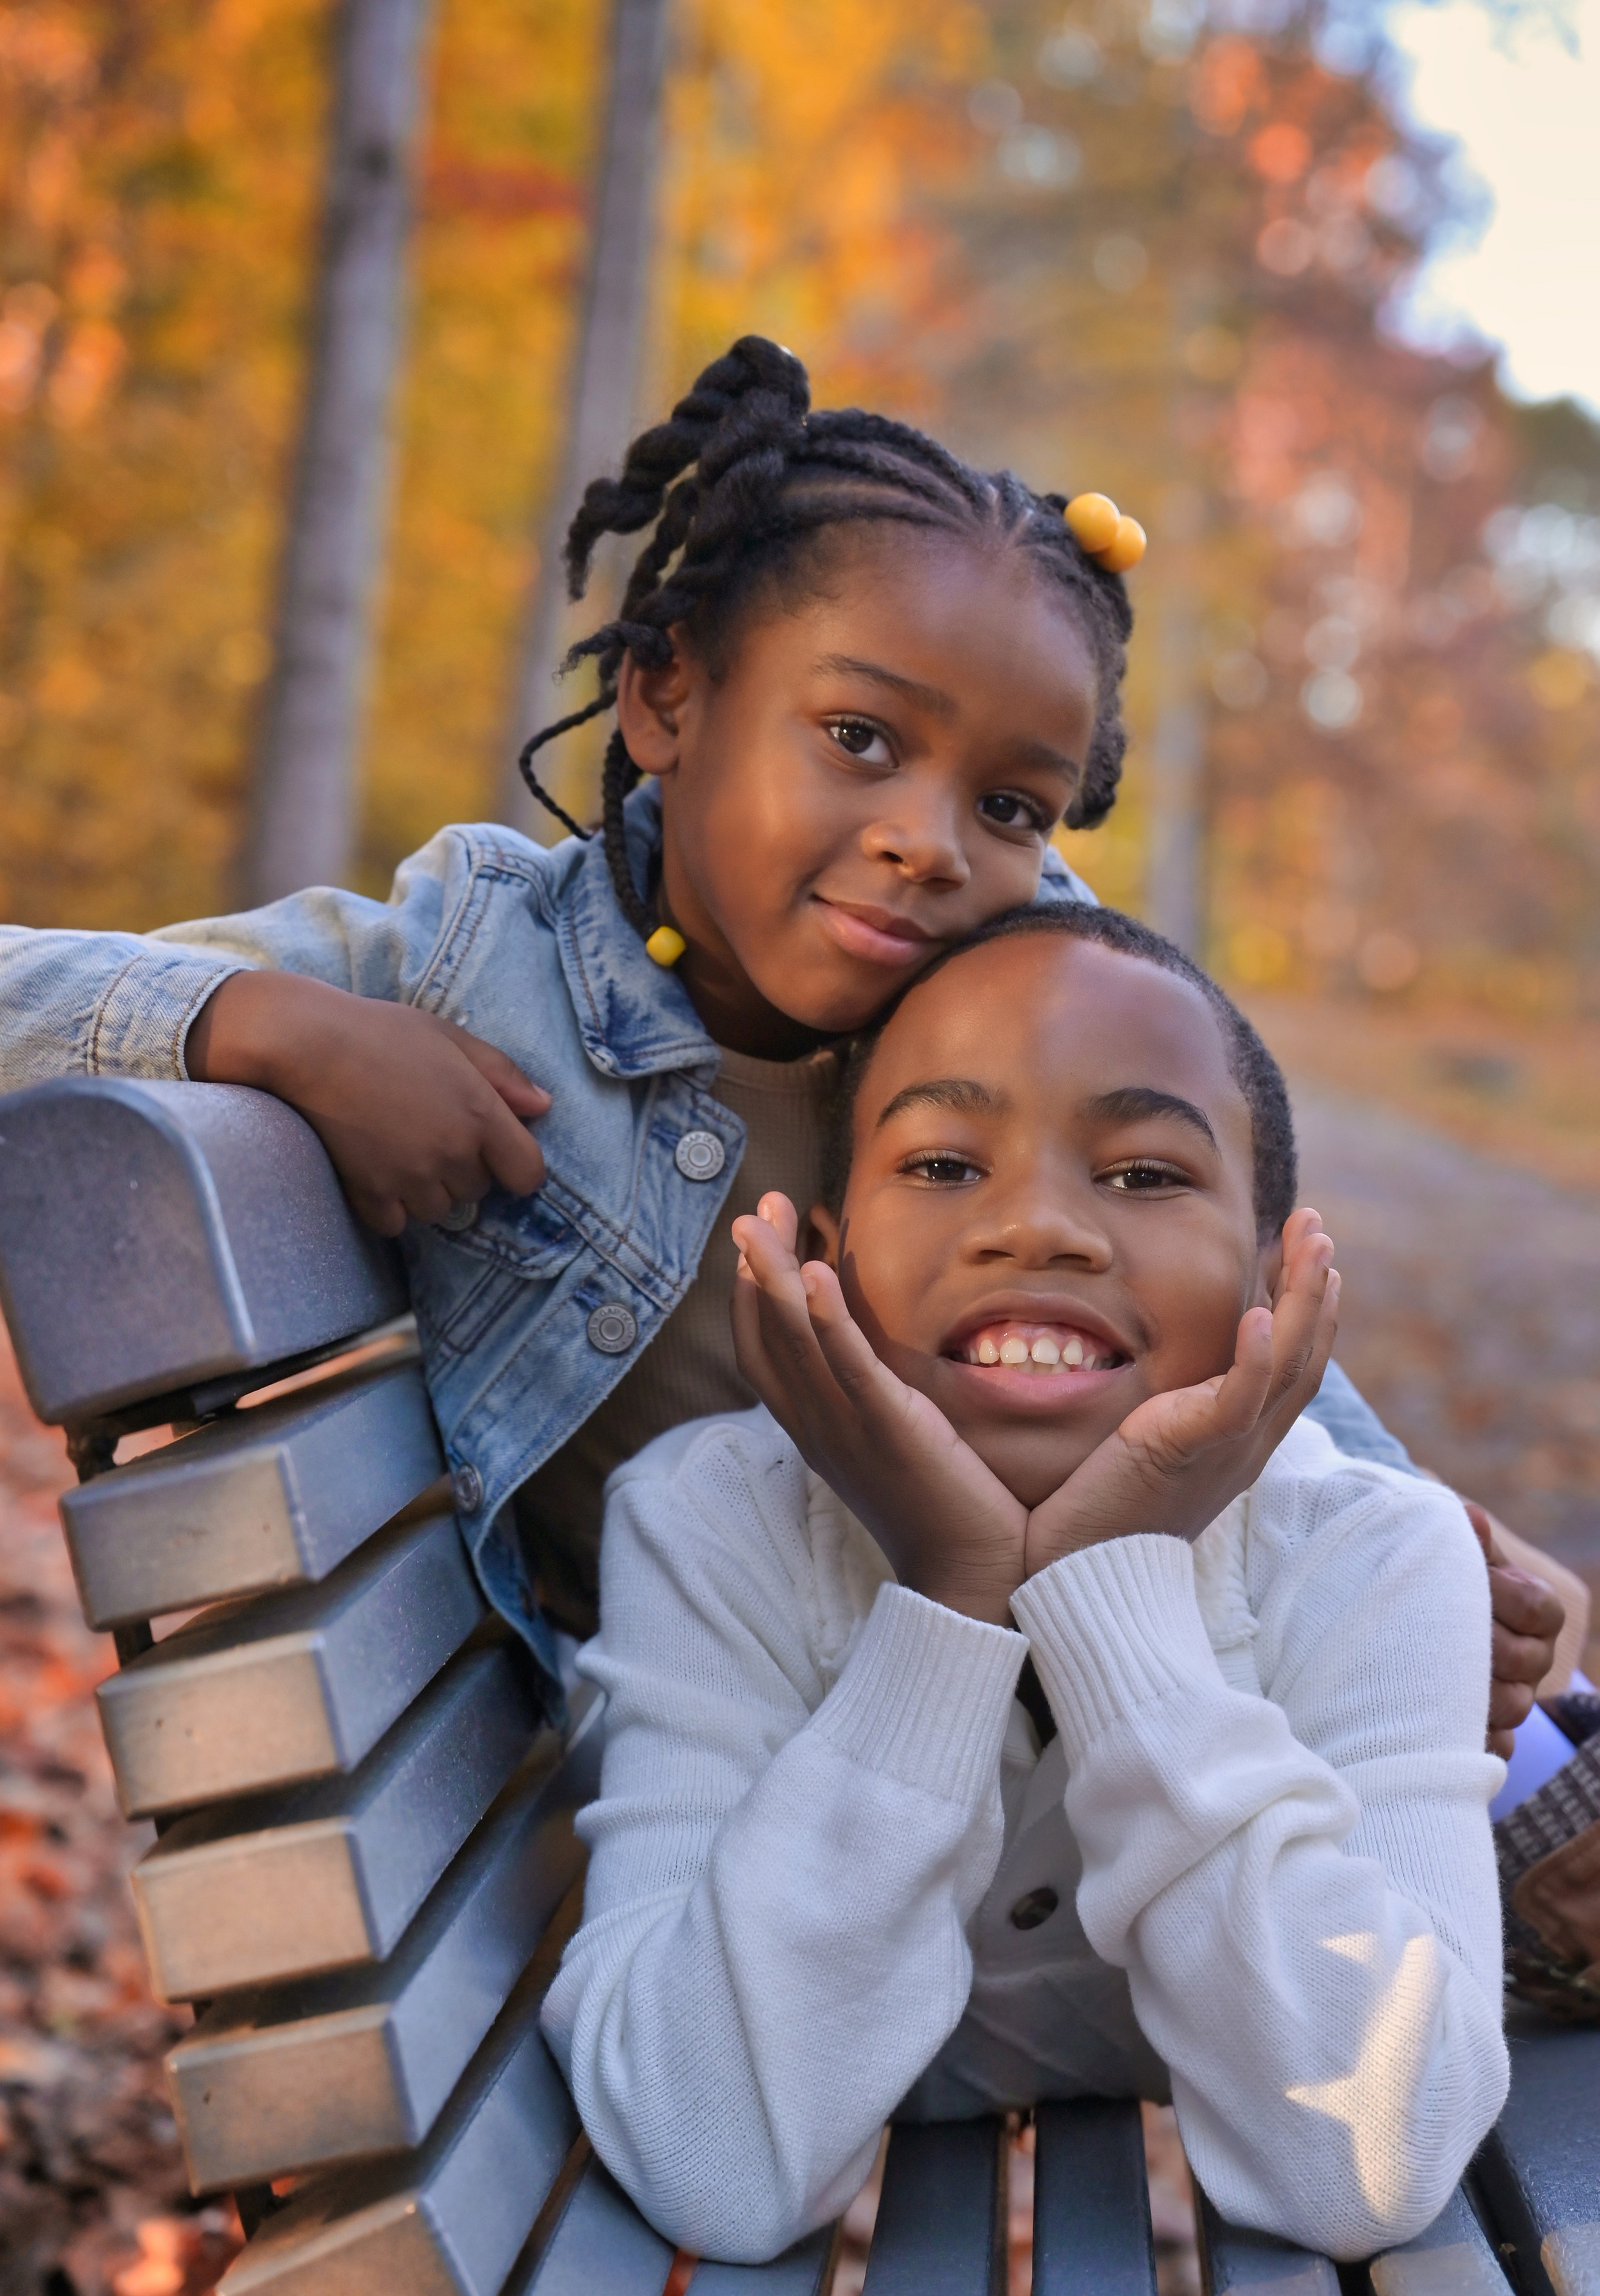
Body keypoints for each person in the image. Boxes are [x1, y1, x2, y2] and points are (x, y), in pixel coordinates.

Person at [0, 335, 1562, 1723]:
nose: (927, 841)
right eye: (859, 738)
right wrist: (267, 1024)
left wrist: (1394, 1521)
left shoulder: (1037, 995)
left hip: (1077, 1692)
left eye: (1007, 804)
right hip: (752, 1756)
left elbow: (1227, 1277)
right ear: (665, 695)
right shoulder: (481, 967)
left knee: (1483, 1674)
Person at [541, 903, 1510, 2263]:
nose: (1039, 1227)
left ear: (1270, 1267)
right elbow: (712, 2162)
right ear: (821, 1261)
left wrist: (1112, 1588)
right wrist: (945, 1598)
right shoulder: (708, 1526)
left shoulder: (1374, 1553)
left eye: (1144, 1174)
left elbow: (1375, 2158)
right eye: (941, 1161)